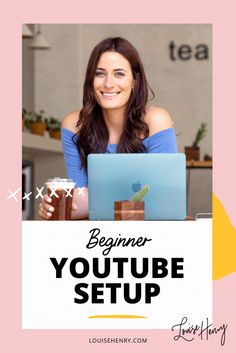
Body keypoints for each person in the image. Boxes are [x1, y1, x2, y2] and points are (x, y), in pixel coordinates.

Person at [39, 37, 177, 220]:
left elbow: (165, 200)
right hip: (102, 238)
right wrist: (54, 208)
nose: (108, 84)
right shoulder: (74, 126)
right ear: (90, 79)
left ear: (135, 80)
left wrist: (97, 201)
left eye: (119, 74)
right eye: (100, 73)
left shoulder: (156, 121)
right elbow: (82, 201)